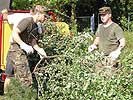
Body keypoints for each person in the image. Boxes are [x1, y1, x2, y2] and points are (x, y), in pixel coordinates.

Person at [3, 5, 47, 94]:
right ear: (38, 14)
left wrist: (40, 50)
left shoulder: (36, 26)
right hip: (16, 49)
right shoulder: (27, 21)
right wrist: (23, 45)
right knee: (25, 78)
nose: (45, 18)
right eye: (44, 15)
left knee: (10, 75)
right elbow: (14, 33)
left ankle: (9, 96)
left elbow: (33, 42)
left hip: (19, 50)